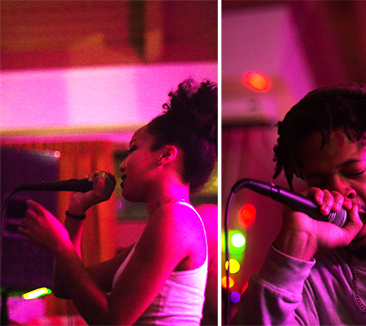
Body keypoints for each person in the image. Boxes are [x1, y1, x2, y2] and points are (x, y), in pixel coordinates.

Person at [230, 83, 366, 325]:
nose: (337, 191)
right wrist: (296, 246)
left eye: (354, 171)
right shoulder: (306, 270)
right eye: (319, 181)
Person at [18, 79, 218, 325]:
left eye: (133, 149)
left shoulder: (176, 219)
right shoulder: (167, 221)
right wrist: (77, 211)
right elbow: (64, 286)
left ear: (165, 155)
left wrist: (61, 245)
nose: (122, 164)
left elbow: (112, 321)